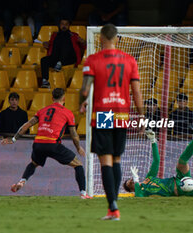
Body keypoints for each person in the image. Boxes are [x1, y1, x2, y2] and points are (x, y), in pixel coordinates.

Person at [79, 24, 144, 220]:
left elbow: (84, 89)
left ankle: (112, 207)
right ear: (116, 38)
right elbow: (137, 91)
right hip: (122, 113)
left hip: (103, 113)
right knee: (116, 159)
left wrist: (82, 103)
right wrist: (141, 115)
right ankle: (114, 205)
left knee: (105, 159)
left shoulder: (93, 60)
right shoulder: (130, 60)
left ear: (101, 38)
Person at [1, 88, 91, 199]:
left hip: (38, 143)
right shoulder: (68, 113)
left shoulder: (42, 110)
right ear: (64, 98)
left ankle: (22, 181)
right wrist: (78, 147)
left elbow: (27, 125)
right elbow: (74, 134)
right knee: (78, 164)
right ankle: (83, 193)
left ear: (52, 98)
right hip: (53, 144)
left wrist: (14, 139)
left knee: (34, 163)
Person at [40, 18, 86, 88]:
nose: (64, 26)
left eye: (66, 24)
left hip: (70, 58)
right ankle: (45, 81)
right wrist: (47, 44)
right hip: (56, 58)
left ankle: (60, 62)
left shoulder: (73, 35)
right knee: (44, 60)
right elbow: (51, 44)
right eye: (62, 24)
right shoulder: (55, 35)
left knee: (65, 44)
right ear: (59, 25)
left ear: (69, 26)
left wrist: (82, 42)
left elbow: (84, 47)